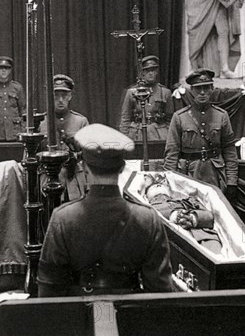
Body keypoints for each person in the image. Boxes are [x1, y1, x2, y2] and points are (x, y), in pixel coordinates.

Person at [37, 123, 174, 296]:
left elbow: (49, 292)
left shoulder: (63, 218)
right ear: (123, 168)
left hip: (80, 317)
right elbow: (160, 292)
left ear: (85, 169)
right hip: (128, 317)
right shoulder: (147, 219)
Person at [163, 68, 238, 197]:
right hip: (188, 175)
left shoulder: (221, 116)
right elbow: (172, 152)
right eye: (198, 88)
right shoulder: (180, 117)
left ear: (212, 89)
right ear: (192, 90)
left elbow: (229, 150)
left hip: (214, 174)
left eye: (206, 88)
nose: (202, 92)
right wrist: (170, 181)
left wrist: (231, 181)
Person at [38, 74, 89, 201]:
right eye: (56, 96)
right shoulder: (40, 122)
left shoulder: (81, 122)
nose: (60, 100)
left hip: (74, 180)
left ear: (70, 96)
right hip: (47, 181)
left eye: (64, 95)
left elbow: (90, 156)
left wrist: (89, 184)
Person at [142, 173, 222, 254]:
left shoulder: (187, 199)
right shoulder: (147, 207)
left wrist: (193, 218)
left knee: (217, 260)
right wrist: (172, 216)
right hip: (170, 238)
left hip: (202, 235)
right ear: (146, 196)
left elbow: (210, 216)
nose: (158, 185)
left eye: (162, 184)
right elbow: (146, 222)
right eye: (152, 186)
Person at [119, 55, 174, 141]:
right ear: (142, 73)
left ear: (157, 72)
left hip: (159, 135)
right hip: (137, 134)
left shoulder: (165, 92)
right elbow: (125, 118)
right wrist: (124, 139)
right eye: (147, 70)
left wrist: (168, 136)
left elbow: (170, 120)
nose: (151, 73)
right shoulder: (132, 93)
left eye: (153, 70)